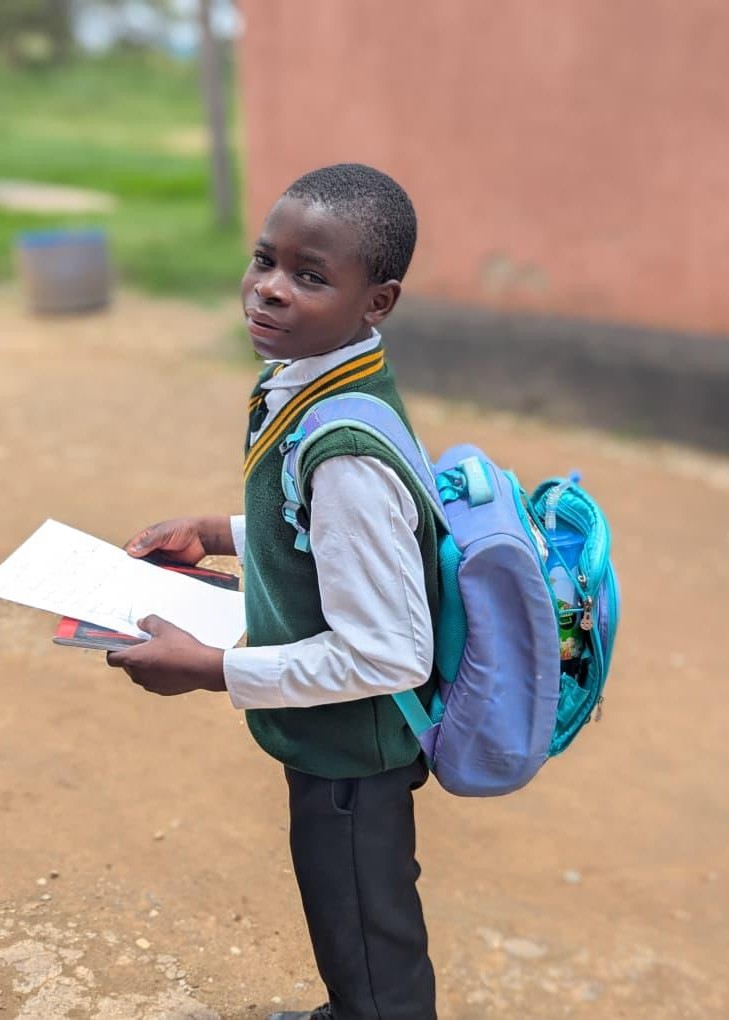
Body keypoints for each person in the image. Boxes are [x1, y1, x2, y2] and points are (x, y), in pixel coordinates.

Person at [107, 163, 441, 1020]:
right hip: (331, 737)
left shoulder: (345, 451)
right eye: (265, 260)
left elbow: (390, 653)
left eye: (310, 276)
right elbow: (316, 531)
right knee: (347, 924)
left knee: (367, 934)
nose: (270, 288)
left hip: (353, 753)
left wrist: (213, 669)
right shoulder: (315, 382)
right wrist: (218, 533)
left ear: (377, 302)